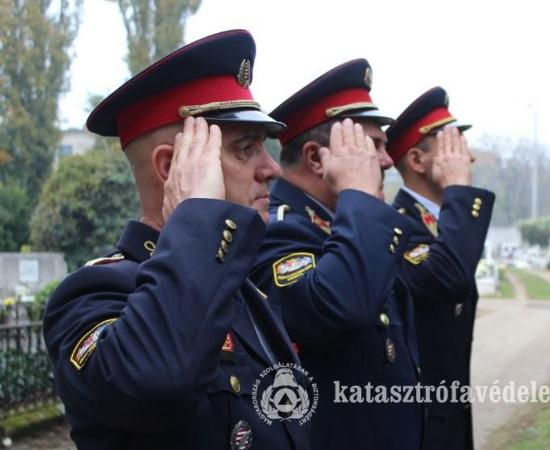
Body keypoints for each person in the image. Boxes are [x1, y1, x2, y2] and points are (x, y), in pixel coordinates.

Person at [43, 30, 310, 450]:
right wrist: (198, 216)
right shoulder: (92, 295)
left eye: (264, 148)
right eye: (244, 149)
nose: (271, 168)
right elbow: (157, 380)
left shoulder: (239, 288)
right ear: (171, 167)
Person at [250, 59, 422, 450]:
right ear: (316, 159)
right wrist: (358, 195)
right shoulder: (277, 230)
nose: (387, 159)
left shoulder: (346, 223)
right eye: (372, 146)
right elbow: (336, 310)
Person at [386, 87, 495, 450]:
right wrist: (459, 190)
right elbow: (448, 278)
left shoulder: (440, 224)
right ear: (417, 161)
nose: (468, 159)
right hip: (418, 422)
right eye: (451, 146)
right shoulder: (396, 226)